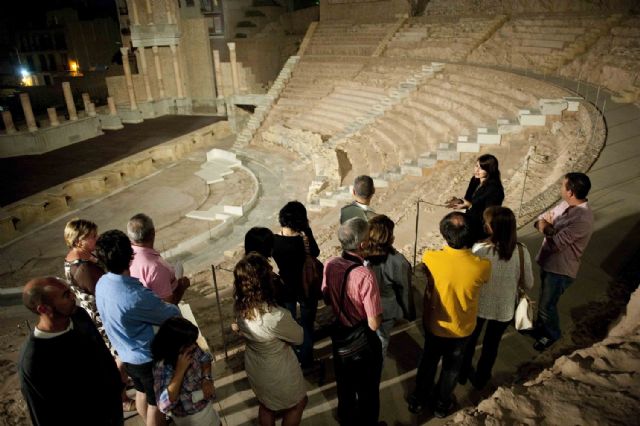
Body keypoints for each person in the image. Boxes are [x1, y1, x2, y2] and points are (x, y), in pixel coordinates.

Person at [408, 212, 490, 418]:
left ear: (444, 233)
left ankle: (418, 399)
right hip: (462, 328)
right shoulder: (482, 266)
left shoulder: (430, 258)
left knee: (428, 362)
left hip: (435, 324)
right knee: (452, 368)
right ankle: (442, 404)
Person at [95, 229, 181, 426]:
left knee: (141, 392)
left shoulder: (101, 283)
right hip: (145, 357)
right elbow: (170, 314)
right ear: (130, 254)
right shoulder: (135, 296)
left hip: (126, 353)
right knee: (156, 404)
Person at [18, 276, 123, 426]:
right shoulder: (34, 359)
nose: (73, 297)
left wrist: (117, 387)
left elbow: (103, 355)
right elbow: (42, 414)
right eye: (66, 295)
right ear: (43, 309)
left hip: (112, 413)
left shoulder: (79, 316)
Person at [63, 218, 136, 413]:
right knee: (119, 356)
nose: (97, 239)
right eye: (93, 237)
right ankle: (121, 398)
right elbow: (105, 289)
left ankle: (123, 382)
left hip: (101, 312)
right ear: (79, 240)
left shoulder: (81, 256)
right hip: (103, 316)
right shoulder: (83, 268)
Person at [459, 207, 534, 389]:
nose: (484, 225)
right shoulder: (521, 251)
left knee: (469, 342)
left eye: (487, 223)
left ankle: (462, 373)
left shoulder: (480, 250)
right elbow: (529, 283)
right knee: (491, 346)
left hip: (479, 306)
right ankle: (482, 379)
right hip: (504, 308)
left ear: (493, 227)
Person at [233, 253, 307, 426]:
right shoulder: (276, 316)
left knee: (266, 405)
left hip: (255, 366)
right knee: (298, 404)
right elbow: (300, 338)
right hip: (277, 371)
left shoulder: (239, 306)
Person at [322, 217, 383, 425]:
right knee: (368, 391)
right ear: (363, 245)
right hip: (362, 342)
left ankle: (346, 418)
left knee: (344, 386)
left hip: (340, 338)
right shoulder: (365, 275)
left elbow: (327, 298)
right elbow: (374, 324)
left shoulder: (330, 263)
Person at [531, 172, 594, 351]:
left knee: (547, 306)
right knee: (544, 301)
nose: (560, 188)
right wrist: (547, 228)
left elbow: (556, 243)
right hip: (548, 264)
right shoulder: (566, 205)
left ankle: (552, 337)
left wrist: (547, 227)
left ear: (571, 192)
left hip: (560, 271)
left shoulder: (583, 219)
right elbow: (539, 220)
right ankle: (542, 329)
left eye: (562, 185)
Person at [272, 201, 320, 369]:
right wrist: (307, 229)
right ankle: (306, 362)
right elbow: (316, 252)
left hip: (286, 288)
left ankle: (292, 361)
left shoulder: (274, 241)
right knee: (307, 326)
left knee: (289, 327)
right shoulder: (303, 240)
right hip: (306, 288)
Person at [151, 317, 220, 426]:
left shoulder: (190, 347)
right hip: (190, 419)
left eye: (194, 342)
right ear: (175, 345)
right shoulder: (163, 366)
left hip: (207, 409)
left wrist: (206, 378)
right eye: (189, 344)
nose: (194, 346)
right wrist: (180, 371)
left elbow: (205, 358)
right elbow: (163, 405)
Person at [366, 214, 411, 359]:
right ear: (390, 238)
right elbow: (404, 289)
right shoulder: (398, 262)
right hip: (385, 310)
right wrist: (408, 312)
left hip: (364, 308)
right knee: (382, 342)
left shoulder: (360, 256)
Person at [127, 213, 190, 304]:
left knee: (177, 266)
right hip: (157, 312)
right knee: (178, 266)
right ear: (153, 232)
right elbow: (168, 306)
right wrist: (181, 287)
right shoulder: (156, 268)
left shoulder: (125, 255)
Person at [446, 154, 504, 242]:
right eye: (476, 166)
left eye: (482, 168)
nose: (477, 170)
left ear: (490, 170)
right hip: (469, 221)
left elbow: (489, 216)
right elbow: (469, 199)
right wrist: (459, 201)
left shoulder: (495, 189)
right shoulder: (475, 180)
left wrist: (470, 206)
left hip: (482, 229)